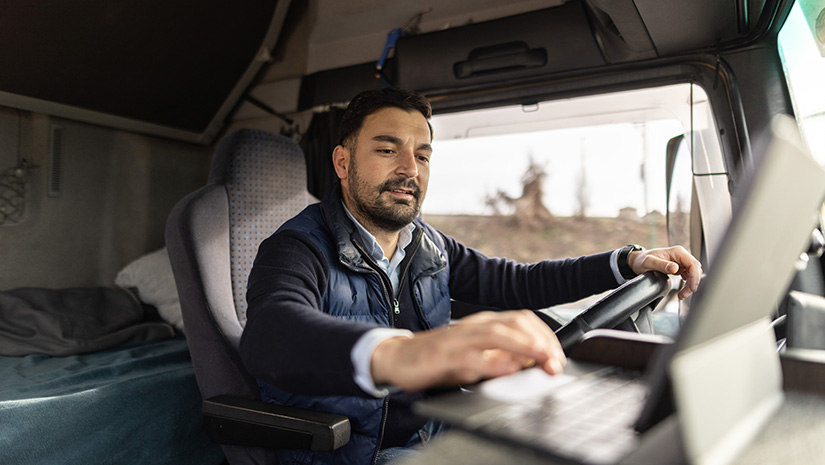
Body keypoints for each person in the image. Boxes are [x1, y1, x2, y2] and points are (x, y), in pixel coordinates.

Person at [238, 87, 702, 465]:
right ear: (342, 163)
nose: (408, 170)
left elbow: (516, 282)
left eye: (422, 156)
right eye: (387, 150)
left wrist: (627, 262)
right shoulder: (297, 246)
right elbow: (270, 333)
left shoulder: (426, 243)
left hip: (440, 426)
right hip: (358, 452)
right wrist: (403, 352)